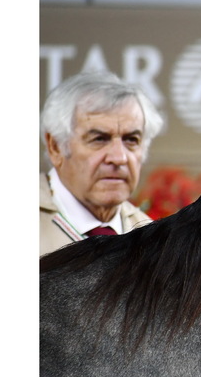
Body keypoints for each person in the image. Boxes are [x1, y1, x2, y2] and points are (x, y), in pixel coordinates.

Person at [39, 70, 164, 254]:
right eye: (99, 139)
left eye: (131, 140)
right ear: (55, 147)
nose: (119, 158)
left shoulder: (154, 241)